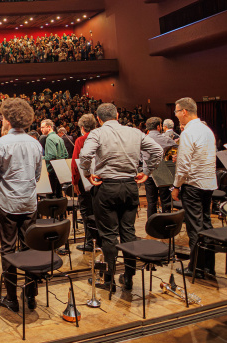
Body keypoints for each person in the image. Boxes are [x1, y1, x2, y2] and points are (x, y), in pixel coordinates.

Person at [79, 103, 163, 292]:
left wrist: (87, 174)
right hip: (130, 186)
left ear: (98, 119)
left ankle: (109, 280)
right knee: (128, 232)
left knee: (108, 235)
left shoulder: (97, 133)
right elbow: (158, 151)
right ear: (117, 115)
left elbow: (85, 155)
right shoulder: (135, 132)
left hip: (107, 187)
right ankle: (129, 277)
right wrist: (147, 171)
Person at [0, 98, 43, 313]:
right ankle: (31, 294)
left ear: (8, 120)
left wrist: (3, 182)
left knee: (8, 248)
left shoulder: (0, 143)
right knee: (29, 248)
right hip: (29, 202)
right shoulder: (35, 142)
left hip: (7, 204)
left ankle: (11, 298)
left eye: (2, 117)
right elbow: (37, 175)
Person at [170, 98, 217, 278]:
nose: (175, 115)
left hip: (193, 184)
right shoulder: (207, 130)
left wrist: (176, 186)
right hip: (208, 183)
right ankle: (208, 267)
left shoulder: (188, 132)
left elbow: (183, 165)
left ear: (184, 112)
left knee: (195, 227)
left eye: (176, 111)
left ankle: (195, 267)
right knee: (206, 223)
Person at [70, 114, 99, 251]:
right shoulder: (101, 137)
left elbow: (76, 164)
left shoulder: (81, 140)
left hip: (85, 179)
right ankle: (99, 239)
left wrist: (74, 182)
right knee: (98, 210)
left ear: (82, 127)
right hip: (100, 179)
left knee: (86, 211)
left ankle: (89, 242)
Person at [144, 117, 176, 216]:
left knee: (151, 202)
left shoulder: (143, 138)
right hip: (161, 172)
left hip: (147, 173)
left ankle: (151, 225)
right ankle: (165, 224)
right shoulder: (164, 139)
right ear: (159, 127)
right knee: (165, 201)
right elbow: (178, 147)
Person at [42, 119, 68, 199]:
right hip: (59, 170)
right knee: (59, 196)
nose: (41, 129)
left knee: (50, 197)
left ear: (49, 127)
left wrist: (41, 158)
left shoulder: (49, 139)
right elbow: (66, 154)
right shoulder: (59, 138)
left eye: (43, 127)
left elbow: (52, 155)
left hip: (52, 171)